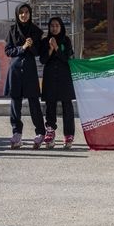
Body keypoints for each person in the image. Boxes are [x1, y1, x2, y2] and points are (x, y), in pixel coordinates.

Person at [4, 3, 45, 149]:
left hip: (29, 71)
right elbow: (8, 51)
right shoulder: (12, 30)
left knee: (34, 101)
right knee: (15, 102)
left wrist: (32, 45)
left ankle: (40, 132)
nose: (24, 15)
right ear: (17, 14)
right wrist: (22, 48)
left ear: (30, 13)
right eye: (21, 12)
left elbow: (39, 52)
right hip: (15, 71)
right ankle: (17, 134)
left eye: (26, 12)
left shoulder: (35, 31)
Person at [39, 17, 76, 149]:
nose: (54, 28)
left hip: (64, 78)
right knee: (50, 105)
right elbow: (43, 60)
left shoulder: (66, 41)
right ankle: (50, 131)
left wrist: (56, 48)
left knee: (67, 106)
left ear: (61, 27)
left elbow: (67, 59)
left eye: (57, 25)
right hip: (50, 78)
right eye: (52, 26)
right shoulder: (45, 41)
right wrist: (50, 48)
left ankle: (69, 134)